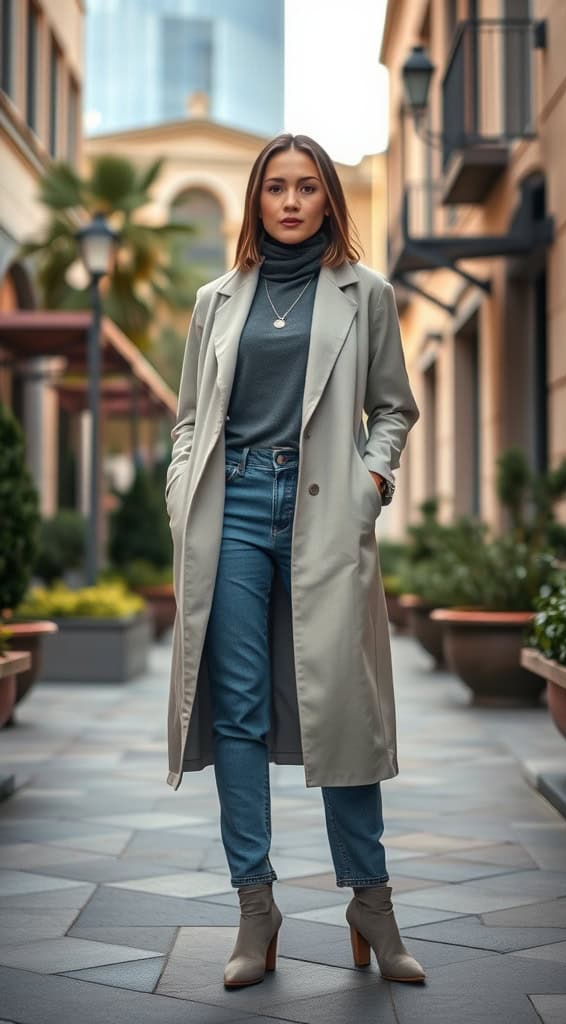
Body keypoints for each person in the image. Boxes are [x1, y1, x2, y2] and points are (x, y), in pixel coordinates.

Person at [165, 133, 424, 989]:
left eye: (305, 187)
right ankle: (255, 906)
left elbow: (393, 406)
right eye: (274, 187)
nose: (288, 201)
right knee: (237, 707)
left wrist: (373, 479)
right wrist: (182, 494)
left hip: (323, 512)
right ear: (255, 199)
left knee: (340, 706)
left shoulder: (366, 294)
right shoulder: (215, 300)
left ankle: (372, 903)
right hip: (231, 510)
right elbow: (190, 419)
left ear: (327, 200)